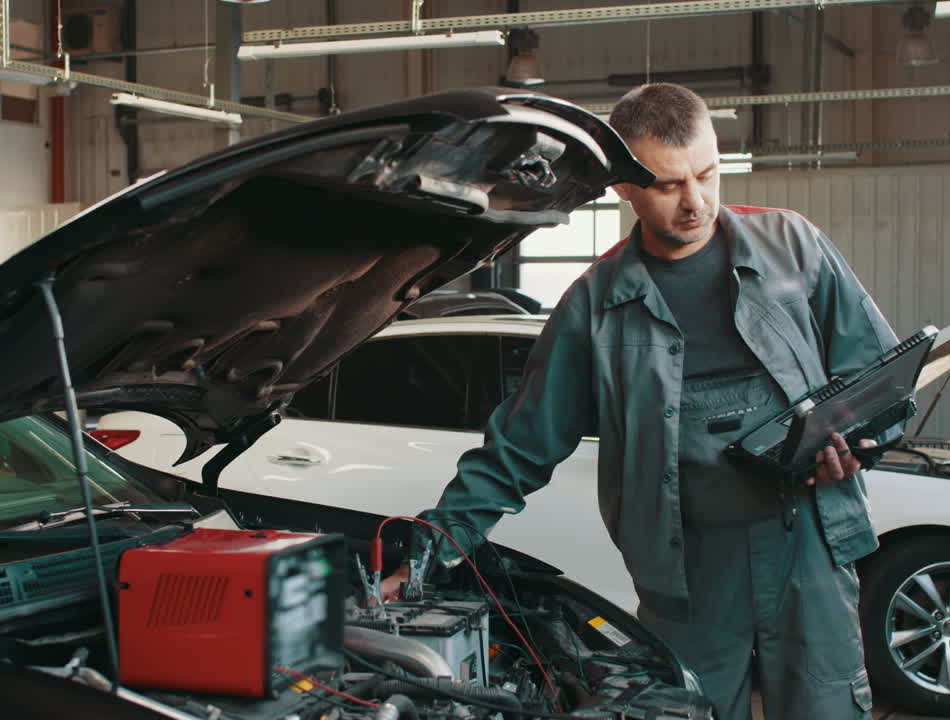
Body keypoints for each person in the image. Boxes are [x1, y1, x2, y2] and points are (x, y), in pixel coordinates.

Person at [379, 83, 897, 720]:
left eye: (707, 174)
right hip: (686, 571)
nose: (695, 202)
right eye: (667, 184)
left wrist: (857, 444)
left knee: (829, 707)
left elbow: (871, 373)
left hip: (808, 543)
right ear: (624, 185)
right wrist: (439, 542)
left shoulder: (794, 246)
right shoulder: (594, 305)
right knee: (686, 711)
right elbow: (520, 446)